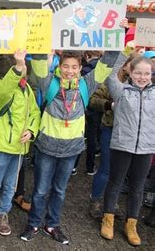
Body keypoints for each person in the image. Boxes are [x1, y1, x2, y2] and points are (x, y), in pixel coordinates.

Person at [20, 49, 118, 245]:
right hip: (47, 146)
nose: (70, 71)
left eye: (74, 67)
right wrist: (40, 40)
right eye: (66, 66)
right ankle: (33, 224)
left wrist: (117, 38)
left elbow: (104, 67)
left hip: (71, 149)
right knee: (40, 190)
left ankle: (52, 225)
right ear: (59, 66)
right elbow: (39, 67)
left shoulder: (86, 85)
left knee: (59, 190)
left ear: (80, 68)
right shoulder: (49, 83)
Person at [0, 51, 40, 238]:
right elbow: (5, 89)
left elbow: (35, 113)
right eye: (18, 70)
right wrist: (19, 66)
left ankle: (3, 214)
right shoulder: (0, 86)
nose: (23, 74)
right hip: (1, 143)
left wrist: (31, 131)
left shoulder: (27, 88)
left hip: (20, 146)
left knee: (10, 186)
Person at [100, 53, 155, 246]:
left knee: (137, 188)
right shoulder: (121, 91)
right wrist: (124, 45)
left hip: (146, 147)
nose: (142, 77)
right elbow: (111, 72)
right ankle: (108, 219)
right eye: (138, 72)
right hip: (122, 145)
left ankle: (131, 224)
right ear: (130, 72)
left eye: (146, 73)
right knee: (115, 182)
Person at [87, 57, 133, 220]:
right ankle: (95, 201)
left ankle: (111, 203)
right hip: (111, 128)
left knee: (120, 171)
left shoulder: (137, 85)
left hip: (128, 133)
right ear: (125, 66)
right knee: (106, 169)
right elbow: (92, 100)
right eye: (130, 65)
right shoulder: (111, 82)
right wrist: (110, 105)